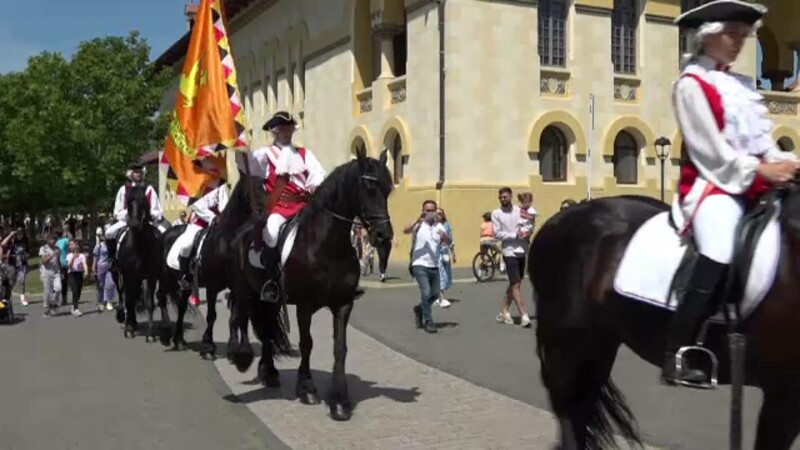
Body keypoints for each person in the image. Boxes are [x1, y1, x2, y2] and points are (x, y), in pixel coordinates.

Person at [663, 0, 800, 385]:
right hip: (713, 185)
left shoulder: (739, 84)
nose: (739, 43)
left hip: (755, 180)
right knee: (721, 246)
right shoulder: (690, 84)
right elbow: (712, 153)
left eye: (744, 36)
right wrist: (762, 169)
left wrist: (785, 161)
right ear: (708, 37)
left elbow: (763, 141)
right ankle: (679, 349)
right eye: (732, 35)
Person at [242, 111, 327, 299]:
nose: (287, 133)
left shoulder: (305, 154)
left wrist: (315, 188)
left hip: (305, 206)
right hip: (280, 207)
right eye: (283, 129)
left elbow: (317, 176)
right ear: (275, 131)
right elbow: (248, 164)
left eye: (289, 129)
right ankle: (272, 281)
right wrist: (240, 148)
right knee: (270, 232)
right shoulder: (265, 154)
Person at [167, 183, 230, 288]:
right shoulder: (197, 183)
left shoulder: (222, 185)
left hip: (219, 224)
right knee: (186, 246)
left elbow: (225, 204)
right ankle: (185, 276)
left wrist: (223, 217)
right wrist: (213, 218)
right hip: (199, 223)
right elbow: (196, 205)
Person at [404, 200, 451, 333]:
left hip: (434, 265)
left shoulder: (439, 226)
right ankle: (428, 321)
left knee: (435, 294)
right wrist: (417, 219)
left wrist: (445, 237)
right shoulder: (419, 225)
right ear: (423, 210)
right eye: (427, 210)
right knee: (426, 292)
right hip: (419, 264)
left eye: (432, 210)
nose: (429, 213)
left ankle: (420, 308)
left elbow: (449, 241)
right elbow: (405, 230)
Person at [104, 163, 166, 264]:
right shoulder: (123, 190)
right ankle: (112, 259)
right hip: (127, 221)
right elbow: (117, 210)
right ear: (131, 174)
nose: (138, 174)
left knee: (164, 233)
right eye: (136, 172)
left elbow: (156, 208)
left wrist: (151, 215)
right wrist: (127, 216)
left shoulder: (149, 189)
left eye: (140, 172)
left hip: (146, 221)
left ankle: (163, 262)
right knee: (108, 233)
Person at [492, 187, 533, 328]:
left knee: (516, 283)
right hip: (509, 251)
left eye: (505, 197)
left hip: (522, 250)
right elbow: (497, 233)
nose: (503, 199)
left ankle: (504, 310)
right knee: (515, 283)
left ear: (511, 197)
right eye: (501, 197)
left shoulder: (519, 210)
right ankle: (524, 315)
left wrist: (527, 233)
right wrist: (514, 235)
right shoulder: (496, 213)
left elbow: (529, 224)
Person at [38, 235, 62, 317]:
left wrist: (61, 271)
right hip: (47, 272)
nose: (53, 241)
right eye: (51, 239)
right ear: (48, 240)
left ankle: (54, 303)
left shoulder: (57, 249)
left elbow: (58, 261)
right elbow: (44, 261)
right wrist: (52, 255)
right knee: (47, 292)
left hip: (56, 272)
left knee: (58, 288)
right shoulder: (43, 248)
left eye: (54, 239)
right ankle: (46, 309)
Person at [66, 240, 87, 317]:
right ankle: (76, 309)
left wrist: (86, 271)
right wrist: (73, 258)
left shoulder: (82, 255)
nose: (70, 246)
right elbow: (69, 266)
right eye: (69, 245)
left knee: (78, 291)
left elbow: (84, 264)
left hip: (79, 273)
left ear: (76, 245)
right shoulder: (69, 255)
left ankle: (74, 304)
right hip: (72, 274)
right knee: (74, 289)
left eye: (72, 244)